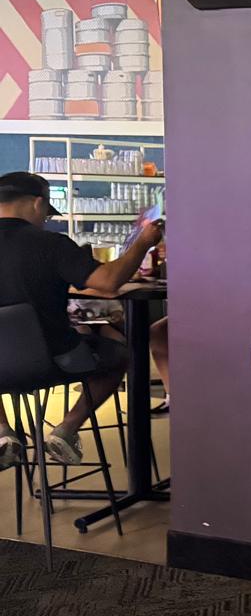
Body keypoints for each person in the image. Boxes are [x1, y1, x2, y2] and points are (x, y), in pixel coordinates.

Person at [0, 171, 161, 469]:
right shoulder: (50, 244)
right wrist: (143, 242)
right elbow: (109, 282)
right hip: (54, 360)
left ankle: (2, 432)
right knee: (120, 355)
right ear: (38, 204)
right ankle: (67, 428)